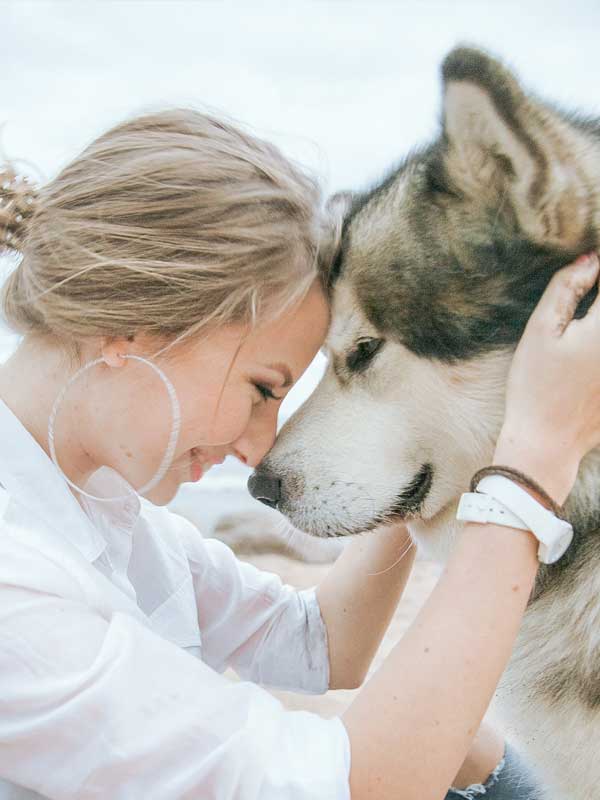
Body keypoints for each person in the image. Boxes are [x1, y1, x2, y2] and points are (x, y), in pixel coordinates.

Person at [0, 109, 598, 800]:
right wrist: (532, 463)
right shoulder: (15, 573)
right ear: (126, 323)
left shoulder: (101, 507)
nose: (260, 445)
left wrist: (427, 437)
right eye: (263, 387)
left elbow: (321, 642)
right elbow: (351, 787)